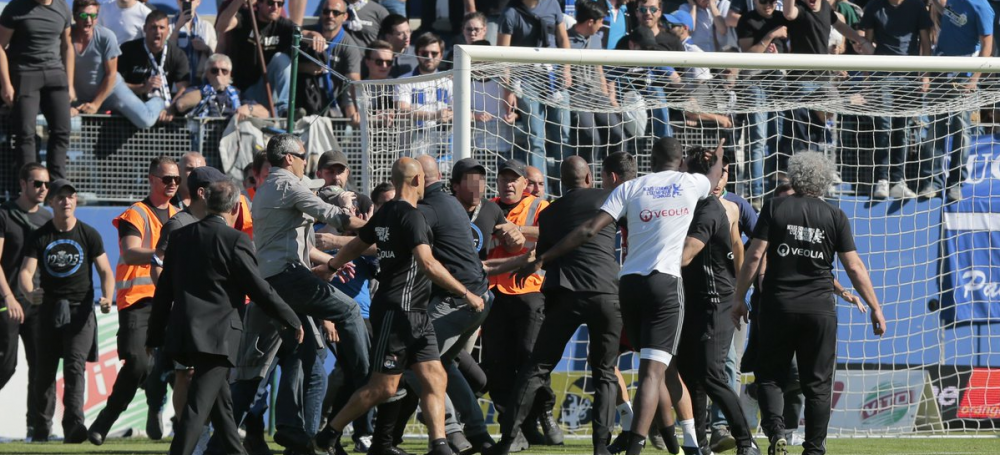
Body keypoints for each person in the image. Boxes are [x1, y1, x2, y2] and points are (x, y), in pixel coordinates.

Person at [516, 137, 724, 455]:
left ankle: (662, 439)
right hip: (664, 284)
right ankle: (659, 444)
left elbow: (587, 230)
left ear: (649, 159)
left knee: (643, 368)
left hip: (627, 286)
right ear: (680, 161)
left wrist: (543, 258)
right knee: (657, 370)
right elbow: (711, 178)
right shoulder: (689, 183)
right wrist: (718, 155)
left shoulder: (629, 190)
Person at [320, 157, 485, 455]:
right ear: (418, 180)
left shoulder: (387, 213)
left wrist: (333, 264)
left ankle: (439, 445)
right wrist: (466, 293)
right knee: (383, 388)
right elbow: (427, 262)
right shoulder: (412, 216)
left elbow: (359, 243)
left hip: (416, 312)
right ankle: (327, 435)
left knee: (436, 377)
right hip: (398, 311)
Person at [731, 151, 886, 455]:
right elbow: (854, 267)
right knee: (818, 384)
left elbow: (754, 256)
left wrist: (739, 298)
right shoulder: (835, 215)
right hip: (819, 310)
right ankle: (814, 449)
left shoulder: (775, 207)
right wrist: (876, 308)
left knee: (770, 377)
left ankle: (776, 432)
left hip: (778, 307)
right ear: (825, 181)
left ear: (795, 177)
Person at [148, 179, 304, 455]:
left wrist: (154, 334)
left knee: (222, 408)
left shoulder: (182, 237)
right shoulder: (236, 240)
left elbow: (164, 292)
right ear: (234, 207)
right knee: (197, 409)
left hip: (185, 333)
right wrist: (290, 318)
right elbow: (259, 289)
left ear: (207, 204)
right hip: (217, 338)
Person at [493, 156, 623, 455]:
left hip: (564, 293)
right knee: (604, 371)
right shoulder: (608, 198)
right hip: (605, 292)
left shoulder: (550, 214)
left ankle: (507, 438)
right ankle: (601, 446)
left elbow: (543, 250)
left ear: (561, 183)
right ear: (589, 178)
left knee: (536, 367)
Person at [253, 134, 371, 453]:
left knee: (306, 354)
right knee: (347, 312)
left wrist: (332, 261)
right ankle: (369, 381)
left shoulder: (271, 185)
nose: (307, 160)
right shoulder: (290, 187)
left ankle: (295, 432)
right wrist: (364, 224)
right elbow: (329, 214)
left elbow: (316, 190)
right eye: (304, 155)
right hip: (289, 277)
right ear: (290, 158)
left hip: (271, 282)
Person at [88, 156, 180, 445]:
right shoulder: (136, 213)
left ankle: (170, 416)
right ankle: (106, 420)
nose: (173, 184)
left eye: (177, 179)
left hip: (173, 303)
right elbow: (129, 253)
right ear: (152, 179)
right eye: (167, 179)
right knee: (140, 364)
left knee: (185, 367)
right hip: (138, 302)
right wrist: (160, 253)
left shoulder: (181, 215)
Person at [18, 179, 114, 444]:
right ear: (51, 202)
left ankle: (74, 427)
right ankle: (40, 429)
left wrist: (107, 296)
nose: (66, 201)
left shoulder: (89, 233)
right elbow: (26, 272)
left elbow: (106, 270)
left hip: (80, 311)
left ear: (75, 202)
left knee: (74, 367)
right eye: (60, 197)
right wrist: (28, 292)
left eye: (70, 197)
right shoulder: (40, 235)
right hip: (48, 311)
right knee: (44, 371)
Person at [674, 152, 758, 455]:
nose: (721, 179)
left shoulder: (724, 208)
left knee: (714, 371)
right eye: (717, 173)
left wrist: (740, 296)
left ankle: (745, 441)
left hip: (717, 301)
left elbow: (738, 246)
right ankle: (699, 444)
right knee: (691, 375)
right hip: (688, 301)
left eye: (724, 173)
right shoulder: (682, 205)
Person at [481, 159, 562, 450]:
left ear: (525, 184)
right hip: (492, 291)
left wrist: (514, 228)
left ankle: (543, 410)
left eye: (514, 179)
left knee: (532, 356)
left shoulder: (539, 206)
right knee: (498, 363)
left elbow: (551, 233)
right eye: (503, 178)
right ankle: (513, 426)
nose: (508, 183)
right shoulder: (486, 206)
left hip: (529, 289)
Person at [919, 0, 993, 202]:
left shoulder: (982, 6)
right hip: (940, 71)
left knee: (961, 130)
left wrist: (974, 79)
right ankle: (931, 181)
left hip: (964, 75)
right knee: (935, 128)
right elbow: (946, 10)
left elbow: (988, 45)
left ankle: (955, 183)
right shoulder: (952, 1)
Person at [0, 163, 53, 441]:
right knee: (6, 365)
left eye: (46, 184)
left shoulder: (48, 217)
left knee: (42, 367)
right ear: (22, 184)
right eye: (37, 184)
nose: (43, 189)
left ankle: (40, 430)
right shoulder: (4, 214)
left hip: (38, 303)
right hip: (6, 302)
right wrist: (9, 296)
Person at [860, 0, 930, 200]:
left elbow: (926, 42)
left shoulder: (917, 6)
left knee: (903, 129)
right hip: (882, 77)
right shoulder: (874, 7)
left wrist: (925, 74)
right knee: (883, 127)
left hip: (909, 78)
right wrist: (867, 79)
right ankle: (882, 179)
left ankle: (898, 181)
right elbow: (867, 44)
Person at [0, 0, 74, 189]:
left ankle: (58, 185)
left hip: (55, 74)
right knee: (25, 133)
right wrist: (6, 84)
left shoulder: (62, 7)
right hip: (25, 73)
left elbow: (67, 46)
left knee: (62, 130)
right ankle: (30, 186)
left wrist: (70, 83)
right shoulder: (15, 8)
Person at [498, 0, 570, 189]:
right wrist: (508, 90)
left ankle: (565, 188)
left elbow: (562, 38)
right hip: (526, 79)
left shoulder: (552, 4)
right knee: (535, 136)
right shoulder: (510, 13)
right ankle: (539, 192)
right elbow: (501, 54)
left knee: (563, 134)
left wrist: (567, 69)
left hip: (554, 77)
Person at [70, 0, 167, 129]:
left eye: (93, 16)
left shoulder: (107, 37)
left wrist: (95, 104)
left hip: (112, 91)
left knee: (145, 121)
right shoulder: (66, 37)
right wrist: (70, 104)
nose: (89, 20)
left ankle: (158, 102)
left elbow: (111, 75)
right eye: (83, 16)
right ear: (75, 16)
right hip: (83, 94)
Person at [216, 0, 324, 115]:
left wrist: (314, 35)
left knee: (281, 59)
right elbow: (221, 26)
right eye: (271, 3)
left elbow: (303, 34)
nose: (275, 7)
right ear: (260, 3)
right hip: (246, 93)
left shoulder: (282, 25)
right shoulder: (246, 17)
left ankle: (284, 110)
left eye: (280, 4)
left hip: (271, 92)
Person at [735, 0, 787, 206]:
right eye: (763, 1)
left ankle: (773, 191)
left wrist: (778, 57)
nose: (768, 5)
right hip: (755, 83)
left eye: (772, 1)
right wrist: (770, 36)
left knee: (777, 138)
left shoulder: (782, 18)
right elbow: (748, 55)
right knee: (758, 140)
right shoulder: (747, 20)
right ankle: (756, 194)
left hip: (778, 83)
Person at [298, 0, 361, 121]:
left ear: (345, 16)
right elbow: (292, 35)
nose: (330, 16)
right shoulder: (309, 33)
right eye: (326, 11)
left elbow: (353, 82)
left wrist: (358, 112)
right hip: (304, 104)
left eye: (336, 12)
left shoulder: (349, 46)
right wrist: (306, 67)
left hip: (333, 109)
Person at [117, 10, 190, 115]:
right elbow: (117, 86)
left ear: (168, 30)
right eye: (153, 27)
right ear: (144, 29)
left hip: (164, 111)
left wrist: (171, 109)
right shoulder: (128, 50)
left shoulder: (177, 54)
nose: (158, 31)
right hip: (131, 109)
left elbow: (183, 88)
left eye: (162, 28)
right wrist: (142, 88)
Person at [450, 158, 523, 261]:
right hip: (444, 275)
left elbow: (510, 246)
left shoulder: (491, 209)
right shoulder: (442, 209)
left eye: (481, 181)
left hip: (477, 276)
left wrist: (517, 242)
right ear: (455, 186)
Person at [395, 32, 452, 157]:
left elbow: (461, 110)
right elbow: (402, 110)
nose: (429, 57)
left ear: (441, 55)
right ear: (417, 54)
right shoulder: (404, 80)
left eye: (434, 53)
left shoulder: (449, 82)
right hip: (412, 145)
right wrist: (434, 115)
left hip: (442, 144)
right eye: (424, 53)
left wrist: (450, 114)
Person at [167, 53, 269, 120]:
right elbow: (181, 104)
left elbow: (266, 113)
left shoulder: (237, 94)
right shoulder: (197, 90)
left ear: (229, 74)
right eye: (214, 71)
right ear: (207, 73)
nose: (219, 74)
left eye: (224, 71)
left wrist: (249, 109)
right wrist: (211, 89)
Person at [168, 0, 217, 84]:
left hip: (201, 84)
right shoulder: (168, 25)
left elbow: (215, 57)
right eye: (182, 0)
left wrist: (205, 48)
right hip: (175, 85)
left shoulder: (207, 27)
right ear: (177, 1)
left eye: (191, 0)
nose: (187, 2)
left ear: (198, 2)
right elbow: (165, 53)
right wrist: (177, 28)